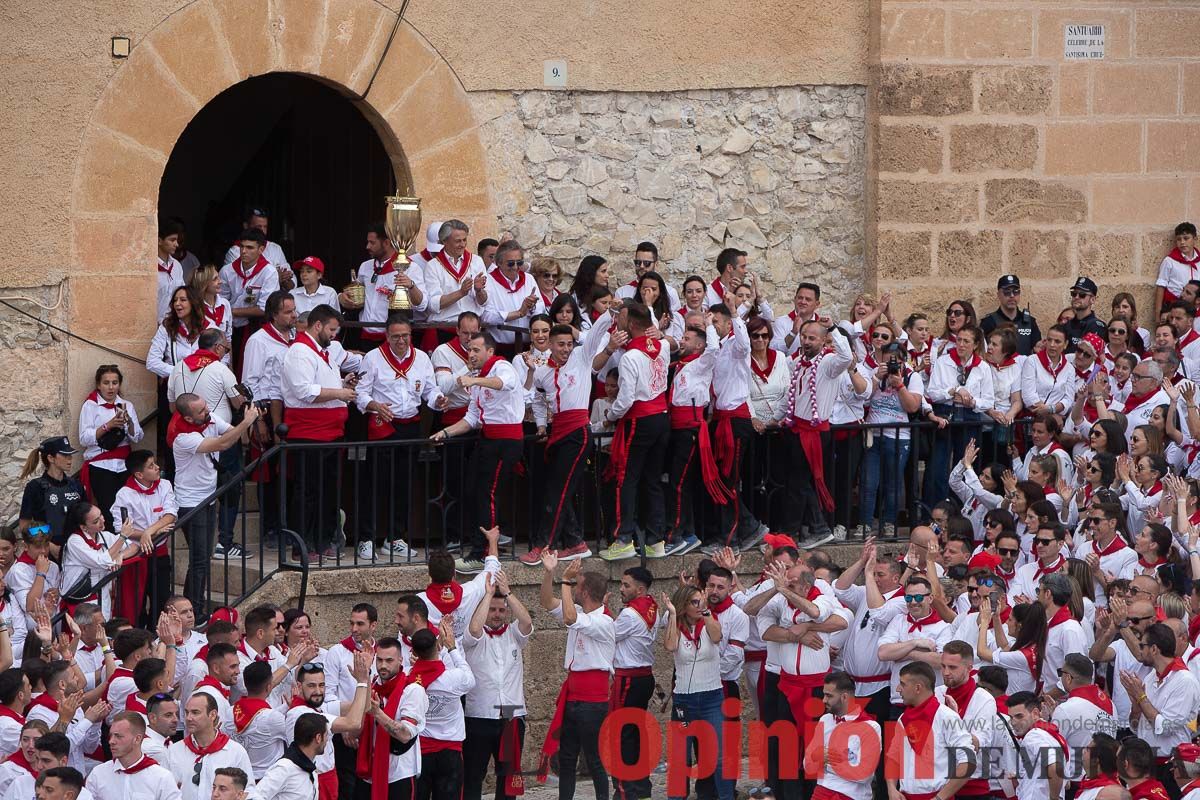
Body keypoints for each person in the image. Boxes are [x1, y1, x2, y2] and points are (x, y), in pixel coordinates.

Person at [429, 332, 523, 574]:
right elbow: (471, 418)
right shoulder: (477, 377)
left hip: (506, 440)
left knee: (486, 494)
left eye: (476, 350)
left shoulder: (502, 365)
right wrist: (445, 433)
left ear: (489, 351)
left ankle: (483, 553)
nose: (471, 355)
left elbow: (505, 383)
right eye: (469, 350)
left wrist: (475, 382)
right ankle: (481, 543)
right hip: (488, 439)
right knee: (471, 490)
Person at [355, 316, 448, 561]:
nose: (401, 341)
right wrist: (374, 404)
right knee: (375, 483)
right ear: (387, 336)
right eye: (396, 336)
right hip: (382, 425)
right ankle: (366, 539)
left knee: (403, 484)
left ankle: (395, 537)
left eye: (405, 335)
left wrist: (437, 399)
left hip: (411, 426)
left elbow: (430, 389)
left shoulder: (422, 358)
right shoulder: (373, 358)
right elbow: (360, 394)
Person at [523, 318, 614, 563]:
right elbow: (539, 402)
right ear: (550, 345)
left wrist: (609, 314)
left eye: (568, 344)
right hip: (557, 432)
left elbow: (595, 334)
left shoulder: (581, 359)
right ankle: (575, 542)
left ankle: (544, 545)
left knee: (557, 491)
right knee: (558, 489)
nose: (565, 349)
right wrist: (541, 425)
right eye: (560, 344)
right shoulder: (542, 372)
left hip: (577, 432)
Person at [756, 559, 845, 800]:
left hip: (816, 689)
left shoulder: (822, 597)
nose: (785, 584)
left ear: (806, 586)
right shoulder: (781, 598)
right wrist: (777, 590)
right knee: (786, 747)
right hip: (787, 685)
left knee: (814, 748)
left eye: (791, 583)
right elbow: (751, 612)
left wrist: (806, 626)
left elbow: (819, 614)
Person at [168, 393, 259, 617]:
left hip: (208, 498)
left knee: (204, 557)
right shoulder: (183, 437)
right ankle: (194, 611)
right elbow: (222, 442)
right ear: (188, 418)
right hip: (190, 503)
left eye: (205, 406)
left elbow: (230, 434)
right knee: (199, 559)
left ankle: (192, 607)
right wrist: (245, 422)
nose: (206, 412)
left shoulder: (209, 419)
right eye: (200, 411)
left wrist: (243, 427)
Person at [279, 304, 355, 560]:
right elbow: (304, 391)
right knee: (308, 492)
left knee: (327, 491)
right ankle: (302, 545)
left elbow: (321, 385)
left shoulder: (323, 353)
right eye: (332, 329)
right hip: (309, 433)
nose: (335, 335)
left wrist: (343, 384)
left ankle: (322, 541)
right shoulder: (300, 352)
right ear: (318, 325)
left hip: (331, 432)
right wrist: (340, 393)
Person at [597, 302, 671, 560]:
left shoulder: (630, 357)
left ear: (631, 324)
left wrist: (611, 414)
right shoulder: (661, 347)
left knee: (626, 478)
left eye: (622, 318)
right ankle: (656, 539)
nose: (618, 322)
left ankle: (623, 538)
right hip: (662, 417)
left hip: (639, 419)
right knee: (652, 480)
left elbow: (626, 397)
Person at [537, 553, 614, 800]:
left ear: (585, 591)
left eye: (576, 587)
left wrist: (566, 583)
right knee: (567, 758)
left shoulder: (604, 621)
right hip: (574, 696)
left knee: (594, 760)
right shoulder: (579, 610)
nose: (573, 591)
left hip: (593, 701)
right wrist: (550, 572)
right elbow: (547, 602)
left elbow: (570, 618)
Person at [773, 318, 850, 547]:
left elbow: (846, 357)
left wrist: (834, 328)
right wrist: (776, 419)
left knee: (800, 484)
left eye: (812, 338)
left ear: (824, 339)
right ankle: (816, 529)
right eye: (804, 337)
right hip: (796, 429)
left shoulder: (828, 363)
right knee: (799, 483)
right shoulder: (797, 362)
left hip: (814, 433)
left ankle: (794, 534)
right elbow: (791, 396)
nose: (806, 342)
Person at [463, 571, 532, 800]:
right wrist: (488, 595)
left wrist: (507, 593)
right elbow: (474, 629)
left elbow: (527, 621)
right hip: (479, 715)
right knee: (473, 775)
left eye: (501, 610)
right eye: (492, 609)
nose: (497, 614)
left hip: (511, 715)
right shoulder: (474, 637)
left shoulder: (514, 634)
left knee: (508, 774)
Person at [661, 581, 729, 800]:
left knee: (718, 756)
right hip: (684, 701)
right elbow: (670, 646)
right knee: (680, 757)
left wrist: (707, 611)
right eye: (694, 602)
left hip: (711, 697)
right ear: (684, 605)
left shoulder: (709, 622)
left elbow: (717, 637)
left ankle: (726, 796)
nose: (699, 606)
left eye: (701, 600)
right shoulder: (677, 626)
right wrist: (672, 615)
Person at [707, 304, 767, 552]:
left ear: (729, 324)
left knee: (728, 480)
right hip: (723, 420)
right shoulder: (720, 348)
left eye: (716, 321)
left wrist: (734, 312)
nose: (712, 324)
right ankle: (748, 528)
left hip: (735, 421)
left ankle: (731, 538)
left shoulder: (735, 345)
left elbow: (744, 343)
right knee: (723, 480)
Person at [661, 320, 721, 557]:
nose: (682, 341)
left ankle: (674, 534)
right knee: (680, 484)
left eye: (686, 339)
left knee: (678, 483)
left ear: (698, 345)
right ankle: (688, 533)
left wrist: (709, 325)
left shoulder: (701, 363)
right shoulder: (679, 365)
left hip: (690, 429)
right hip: (677, 428)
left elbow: (714, 349)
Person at [284, 653, 372, 800]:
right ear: (299, 687)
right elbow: (353, 723)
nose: (318, 691)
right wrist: (361, 682)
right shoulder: (300, 713)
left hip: (328, 780)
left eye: (321, 685)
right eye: (311, 686)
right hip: (311, 784)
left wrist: (366, 675)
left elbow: (366, 706)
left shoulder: (320, 707)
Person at [606, 566, 659, 800]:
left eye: (626, 585)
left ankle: (625, 790)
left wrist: (603, 611)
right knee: (636, 733)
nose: (621, 588)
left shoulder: (629, 614)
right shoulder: (652, 607)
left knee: (622, 734)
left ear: (640, 588)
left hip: (627, 677)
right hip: (645, 677)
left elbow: (609, 635)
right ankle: (641, 786)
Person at [354, 638, 426, 800]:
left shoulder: (412, 690)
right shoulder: (371, 686)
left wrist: (378, 713)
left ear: (400, 660)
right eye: (379, 660)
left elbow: (406, 734)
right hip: (369, 771)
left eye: (389, 660)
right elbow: (358, 728)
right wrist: (362, 680)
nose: (383, 665)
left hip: (399, 774)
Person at [888, 662, 973, 800]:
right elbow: (893, 757)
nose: (898, 689)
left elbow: (968, 762)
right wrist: (891, 788)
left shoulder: (947, 717)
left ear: (917, 688)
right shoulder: (902, 719)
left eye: (902, 684)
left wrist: (940, 798)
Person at [409, 623, 475, 800]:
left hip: (420, 751)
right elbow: (470, 678)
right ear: (437, 648)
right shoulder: (452, 678)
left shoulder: (409, 679)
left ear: (414, 652)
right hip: (450, 750)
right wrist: (452, 647)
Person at [78, 364, 144, 529]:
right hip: (101, 465)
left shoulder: (126, 405)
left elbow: (138, 437)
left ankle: (127, 546)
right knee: (107, 510)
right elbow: (84, 438)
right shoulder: (90, 405)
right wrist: (108, 425)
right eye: (106, 383)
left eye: (115, 383)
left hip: (123, 464)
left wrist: (129, 424)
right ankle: (111, 547)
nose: (111, 387)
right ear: (99, 385)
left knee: (126, 508)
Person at [339, 223, 426, 344]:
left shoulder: (411, 267)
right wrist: (343, 298)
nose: (367, 246)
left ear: (386, 242)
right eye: (368, 242)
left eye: (372, 243)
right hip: (363, 335)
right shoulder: (365, 266)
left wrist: (411, 286)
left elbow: (422, 305)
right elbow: (357, 297)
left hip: (392, 339)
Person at [803, 671, 880, 800]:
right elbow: (807, 765)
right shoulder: (825, 720)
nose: (823, 700)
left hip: (852, 795)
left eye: (829, 696)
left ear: (844, 697)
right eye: (824, 695)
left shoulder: (871, 727)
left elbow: (864, 775)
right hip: (822, 791)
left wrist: (825, 763)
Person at [163, 693, 256, 800]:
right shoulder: (174, 750)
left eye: (195, 712)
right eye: (186, 712)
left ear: (212, 715)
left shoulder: (235, 751)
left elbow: (247, 791)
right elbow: (164, 791)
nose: (188, 718)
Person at [418, 529, 501, 637]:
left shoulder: (418, 602)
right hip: (459, 653)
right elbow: (492, 569)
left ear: (429, 575)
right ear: (454, 574)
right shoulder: (470, 592)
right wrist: (493, 540)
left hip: (432, 653)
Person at [413, 220, 487, 342]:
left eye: (464, 240)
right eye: (458, 241)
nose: (462, 244)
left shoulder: (477, 261)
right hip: (444, 330)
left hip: (473, 331)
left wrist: (479, 291)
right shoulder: (433, 266)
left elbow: (484, 302)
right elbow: (432, 305)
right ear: (444, 241)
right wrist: (461, 293)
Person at [85, 712, 181, 799]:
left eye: (118, 736)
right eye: (111, 736)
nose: (111, 741)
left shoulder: (161, 777)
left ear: (137, 739)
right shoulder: (98, 774)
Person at [1051, 653, 1116, 778]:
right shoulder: (1111, 704)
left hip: (1077, 781)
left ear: (1068, 678)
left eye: (1061, 673)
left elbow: (1055, 751)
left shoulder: (1066, 709)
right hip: (1105, 778)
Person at [18, 437, 85, 550]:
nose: (70, 459)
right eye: (65, 455)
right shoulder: (35, 487)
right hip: (48, 549)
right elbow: (25, 525)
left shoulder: (75, 485)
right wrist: (49, 545)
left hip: (78, 546)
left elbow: (87, 516)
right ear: (51, 458)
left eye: (70, 455)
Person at [219, 229, 282, 343]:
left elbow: (265, 309)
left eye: (250, 247)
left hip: (256, 328)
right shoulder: (227, 271)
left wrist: (231, 311)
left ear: (261, 250)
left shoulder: (269, 272)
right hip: (227, 326)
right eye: (242, 246)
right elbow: (220, 301)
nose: (243, 251)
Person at [481, 240, 544, 349]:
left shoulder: (528, 279)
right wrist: (518, 313)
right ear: (498, 263)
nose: (515, 267)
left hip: (528, 346)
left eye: (519, 263)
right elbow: (486, 317)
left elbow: (541, 308)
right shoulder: (488, 281)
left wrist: (531, 307)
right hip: (500, 348)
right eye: (510, 263)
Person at [247, 712, 325, 800]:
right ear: (318, 738)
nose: (327, 740)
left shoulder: (311, 768)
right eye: (326, 736)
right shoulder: (284, 768)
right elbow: (254, 797)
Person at [231, 661, 287, 781]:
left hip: (238, 780)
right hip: (266, 781)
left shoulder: (230, 711)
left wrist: (286, 707)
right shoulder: (272, 718)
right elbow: (293, 734)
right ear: (269, 686)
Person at [1007, 691, 1067, 800]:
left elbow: (1055, 767)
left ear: (1035, 713)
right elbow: (1066, 782)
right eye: (1011, 718)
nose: (1013, 722)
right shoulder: (1050, 734)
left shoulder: (1033, 735)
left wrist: (1054, 798)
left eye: (1019, 716)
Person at [981, 275, 1042, 355]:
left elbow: (1037, 350)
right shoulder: (989, 322)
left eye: (1016, 291)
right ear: (999, 294)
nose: (1012, 296)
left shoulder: (1030, 322)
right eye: (1007, 292)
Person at [221, 208, 290, 276]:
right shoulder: (236, 251)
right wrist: (275, 278)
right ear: (246, 226)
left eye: (265, 227)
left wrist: (287, 279)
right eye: (258, 227)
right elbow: (238, 282)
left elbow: (292, 280)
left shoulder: (275, 248)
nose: (263, 231)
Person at [188, 265, 234, 362]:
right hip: (201, 363)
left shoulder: (225, 304)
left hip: (222, 364)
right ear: (204, 283)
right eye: (215, 279)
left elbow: (228, 340)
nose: (220, 281)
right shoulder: (194, 308)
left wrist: (230, 368)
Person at [1155, 222, 1199, 311]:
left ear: (1195, 238)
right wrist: (1158, 314)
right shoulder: (1170, 261)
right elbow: (1161, 287)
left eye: (1186, 238)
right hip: (1175, 307)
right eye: (1179, 239)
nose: (1182, 242)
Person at [771, 282, 822, 356]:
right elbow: (774, 352)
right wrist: (793, 333)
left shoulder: (823, 325)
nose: (803, 302)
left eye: (808, 299)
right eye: (800, 298)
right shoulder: (781, 322)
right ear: (795, 299)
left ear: (817, 304)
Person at [1064, 276, 1108, 352]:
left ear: (1092, 299)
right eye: (1074, 294)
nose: (1077, 297)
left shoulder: (1096, 326)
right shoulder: (1067, 325)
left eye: (1082, 295)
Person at [158, 219, 186, 321]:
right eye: (172, 240)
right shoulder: (150, 269)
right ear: (159, 241)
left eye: (177, 240)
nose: (176, 244)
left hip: (173, 325)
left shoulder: (177, 266)